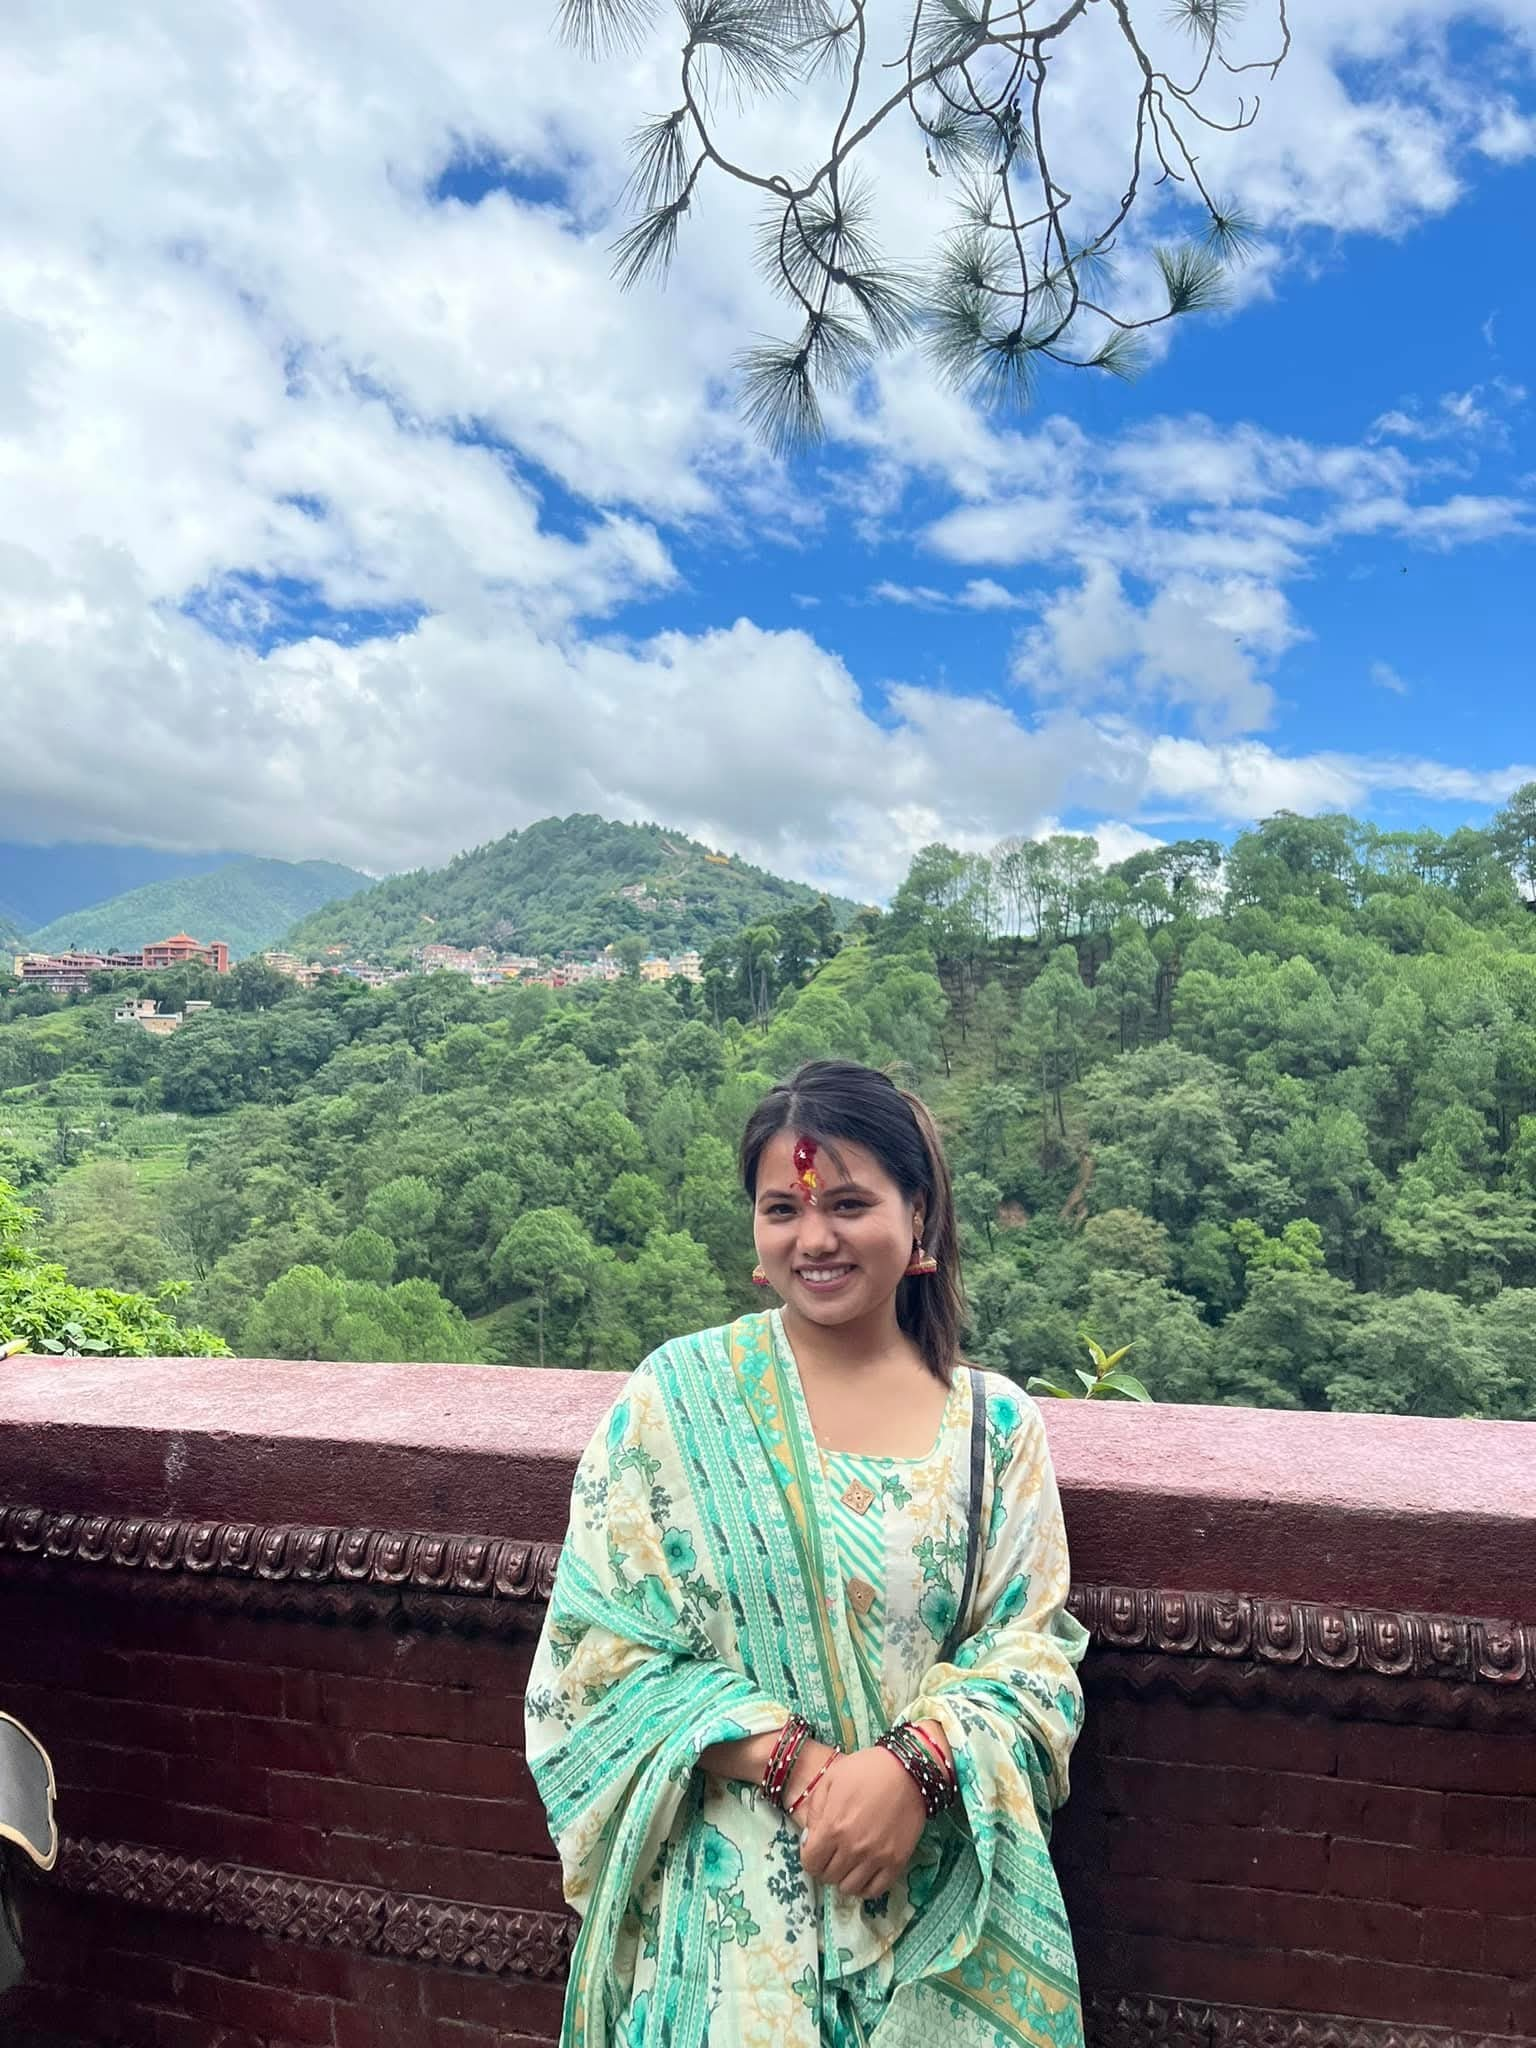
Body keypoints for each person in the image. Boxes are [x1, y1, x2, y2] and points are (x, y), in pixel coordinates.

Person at [525, 1060, 1089, 2048]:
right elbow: (594, 1658)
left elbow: (1033, 1660)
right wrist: (796, 1761)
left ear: (919, 1213)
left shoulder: (993, 1431)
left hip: (932, 1919)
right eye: (782, 1208)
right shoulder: (677, 1403)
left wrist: (915, 1767)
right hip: (724, 1942)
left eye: (849, 1204)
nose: (814, 1238)